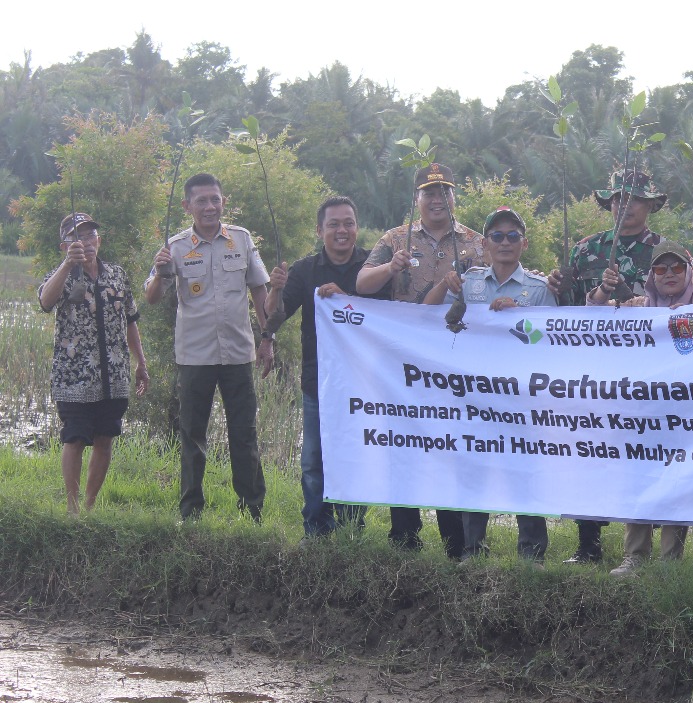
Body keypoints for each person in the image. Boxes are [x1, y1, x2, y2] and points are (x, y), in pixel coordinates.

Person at [355, 162, 483, 556]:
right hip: (404, 361)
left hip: (455, 360)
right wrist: (387, 267)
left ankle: (457, 542)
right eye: (429, 193)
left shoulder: (476, 243)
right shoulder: (396, 238)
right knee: (403, 445)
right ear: (418, 199)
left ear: (453, 196)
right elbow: (361, 284)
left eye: (444, 191)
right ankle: (404, 536)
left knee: (453, 445)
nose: (437, 199)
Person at [547, 168, 669, 565]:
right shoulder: (585, 250)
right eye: (618, 199)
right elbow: (568, 316)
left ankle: (641, 551)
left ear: (650, 205)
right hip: (594, 372)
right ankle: (588, 545)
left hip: (646, 373)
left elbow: (675, 307)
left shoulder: (666, 252)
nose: (625, 206)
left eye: (634, 199)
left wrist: (628, 295)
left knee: (643, 457)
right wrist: (558, 288)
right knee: (588, 454)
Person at [425, 206, 555, 565]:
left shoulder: (539, 290)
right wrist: (442, 283)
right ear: (484, 244)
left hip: (522, 399)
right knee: (473, 470)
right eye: (497, 236)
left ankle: (532, 553)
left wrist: (519, 317)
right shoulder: (469, 283)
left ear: (523, 243)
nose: (505, 242)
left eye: (513, 236)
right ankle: (472, 549)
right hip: (474, 397)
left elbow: (552, 345)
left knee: (524, 473)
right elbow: (428, 316)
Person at [145, 173, 271, 522]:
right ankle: (190, 513)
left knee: (244, 434)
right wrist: (158, 273)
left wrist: (267, 338)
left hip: (238, 354)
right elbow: (153, 298)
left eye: (215, 199)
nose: (210, 207)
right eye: (201, 201)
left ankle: (252, 512)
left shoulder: (242, 240)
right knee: (192, 435)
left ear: (223, 201)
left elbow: (260, 290)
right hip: (194, 356)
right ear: (187, 206)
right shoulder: (175, 246)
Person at [593, 240, 693, 576]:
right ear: (651, 276)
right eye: (661, 269)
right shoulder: (638, 308)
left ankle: (670, 561)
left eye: (677, 268)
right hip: (642, 414)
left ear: (690, 272)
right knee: (639, 477)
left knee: (678, 479)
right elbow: (592, 314)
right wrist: (606, 289)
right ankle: (635, 556)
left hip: (686, 413)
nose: (670, 274)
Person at [259, 196, 370, 538]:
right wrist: (275, 291)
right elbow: (275, 316)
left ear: (357, 227)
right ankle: (316, 530)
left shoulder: (371, 267)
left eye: (348, 223)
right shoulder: (305, 270)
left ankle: (352, 529)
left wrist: (347, 300)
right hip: (317, 380)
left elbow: (390, 315)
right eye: (334, 224)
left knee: (355, 457)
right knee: (313, 461)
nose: (342, 230)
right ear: (319, 229)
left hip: (363, 383)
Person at [38, 213, 149, 515]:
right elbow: (46, 302)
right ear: (65, 245)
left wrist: (141, 362)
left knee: (105, 437)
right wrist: (67, 265)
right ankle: (72, 508)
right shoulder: (60, 275)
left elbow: (131, 320)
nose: (86, 242)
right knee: (74, 437)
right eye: (78, 236)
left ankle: (89, 506)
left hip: (114, 374)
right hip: (73, 376)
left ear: (99, 240)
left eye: (90, 235)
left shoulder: (117, 275)